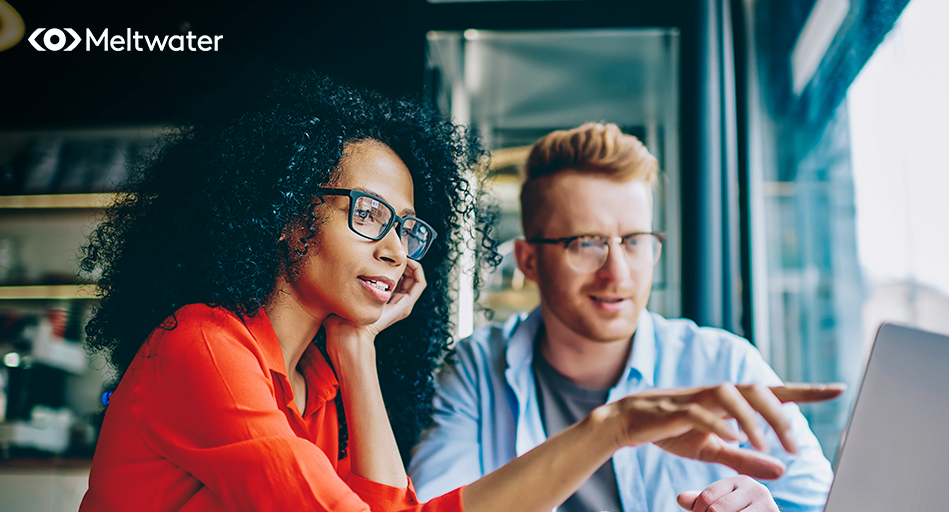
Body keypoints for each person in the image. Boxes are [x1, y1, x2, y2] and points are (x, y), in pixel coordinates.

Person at [80, 73, 840, 512]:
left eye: (407, 228)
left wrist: (355, 349)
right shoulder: (206, 349)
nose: (392, 246)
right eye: (368, 213)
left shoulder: (316, 379)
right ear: (283, 213)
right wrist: (613, 427)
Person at [408, 122, 840, 512]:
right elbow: (433, 508)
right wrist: (611, 428)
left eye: (634, 241)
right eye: (586, 243)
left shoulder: (725, 365)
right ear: (529, 260)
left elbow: (826, 504)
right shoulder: (476, 371)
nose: (617, 272)